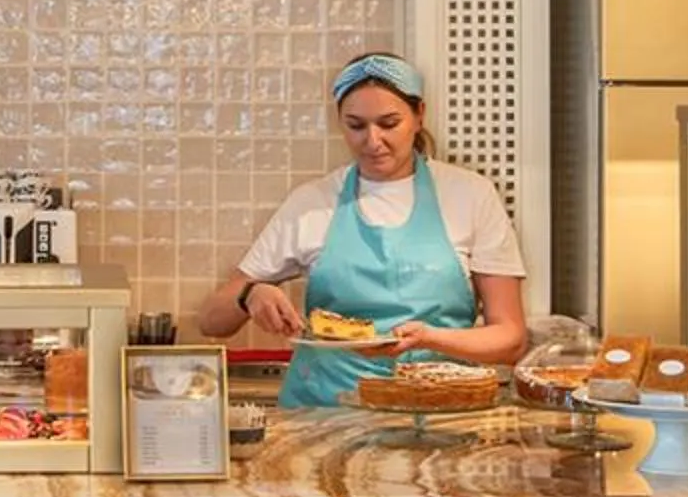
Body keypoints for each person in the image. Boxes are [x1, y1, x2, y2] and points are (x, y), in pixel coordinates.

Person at [196, 51, 528, 406]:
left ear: (419, 116)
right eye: (356, 125)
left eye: (388, 123)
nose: (372, 141)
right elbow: (212, 321)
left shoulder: (470, 196)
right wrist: (250, 294)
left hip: (440, 416)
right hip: (323, 417)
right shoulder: (312, 202)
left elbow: (511, 340)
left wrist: (430, 339)